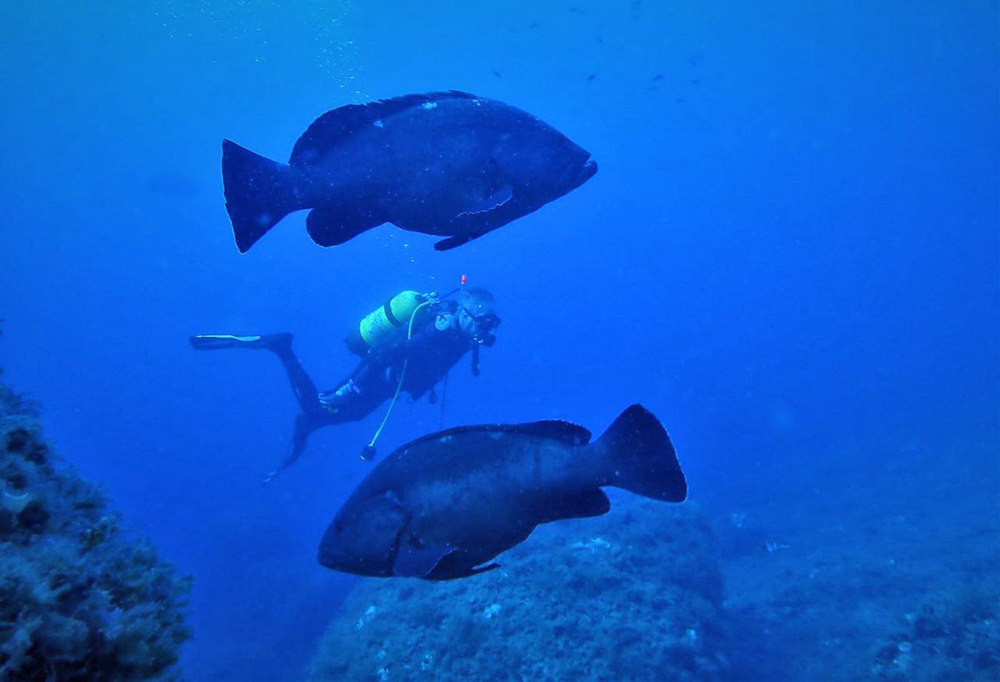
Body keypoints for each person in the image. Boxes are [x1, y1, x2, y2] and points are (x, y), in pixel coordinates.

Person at [189, 287, 500, 483]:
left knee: (341, 416)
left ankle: (304, 429)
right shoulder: (438, 329)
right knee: (320, 409)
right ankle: (281, 348)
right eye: (483, 320)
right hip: (373, 378)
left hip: (385, 386)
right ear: (465, 309)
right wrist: (349, 387)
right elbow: (383, 353)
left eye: (491, 322)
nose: (485, 329)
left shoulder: (461, 337)